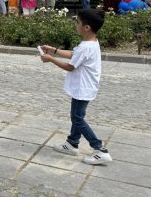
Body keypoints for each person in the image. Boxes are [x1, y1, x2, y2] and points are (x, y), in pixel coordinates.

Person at [40, 9, 112, 165]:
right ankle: (72, 143)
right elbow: (75, 54)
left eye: (77, 22)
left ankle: (99, 149)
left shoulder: (86, 46)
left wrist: (51, 59)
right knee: (77, 116)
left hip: (83, 88)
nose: (75, 24)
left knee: (77, 119)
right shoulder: (90, 42)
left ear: (86, 27)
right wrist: (55, 50)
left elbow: (71, 67)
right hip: (85, 87)